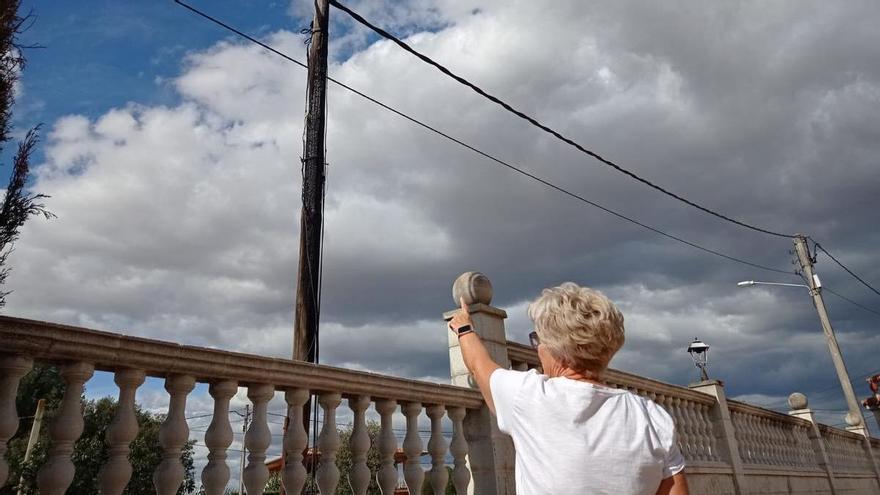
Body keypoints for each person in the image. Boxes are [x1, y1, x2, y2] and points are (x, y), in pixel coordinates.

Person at [448, 282, 688, 495]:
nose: (537, 348)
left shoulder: (528, 396)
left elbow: (479, 366)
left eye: (537, 339)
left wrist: (464, 327)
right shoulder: (652, 417)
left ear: (554, 348)